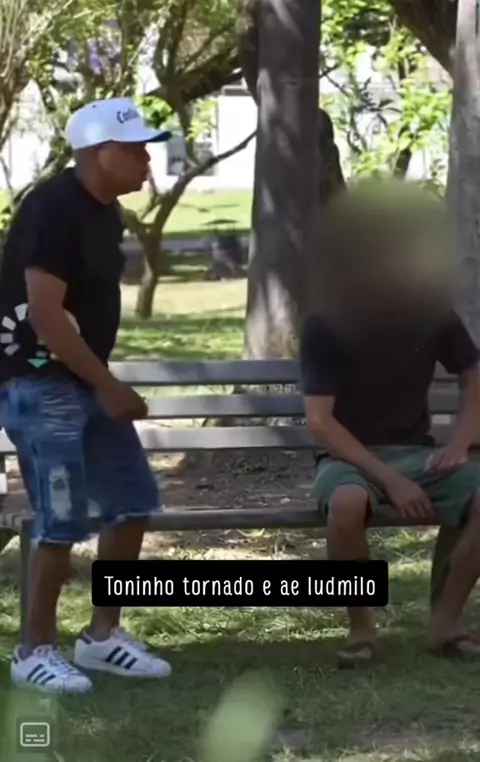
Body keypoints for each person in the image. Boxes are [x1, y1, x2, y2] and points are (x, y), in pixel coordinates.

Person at [0, 97, 173, 693]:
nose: (148, 161)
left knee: (132, 500)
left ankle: (102, 637)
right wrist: (110, 386)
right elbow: (46, 316)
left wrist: (101, 383)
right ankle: (34, 651)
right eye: (137, 150)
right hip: (40, 383)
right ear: (102, 153)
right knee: (61, 518)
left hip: (83, 381)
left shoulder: (105, 213)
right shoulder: (52, 209)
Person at [300, 181, 480, 668]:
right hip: (348, 459)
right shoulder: (325, 324)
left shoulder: (433, 316)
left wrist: (461, 443)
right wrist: (391, 479)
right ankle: (362, 630)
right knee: (346, 504)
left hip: (417, 454)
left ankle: (446, 622)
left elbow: (474, 377)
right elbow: (320, 423)